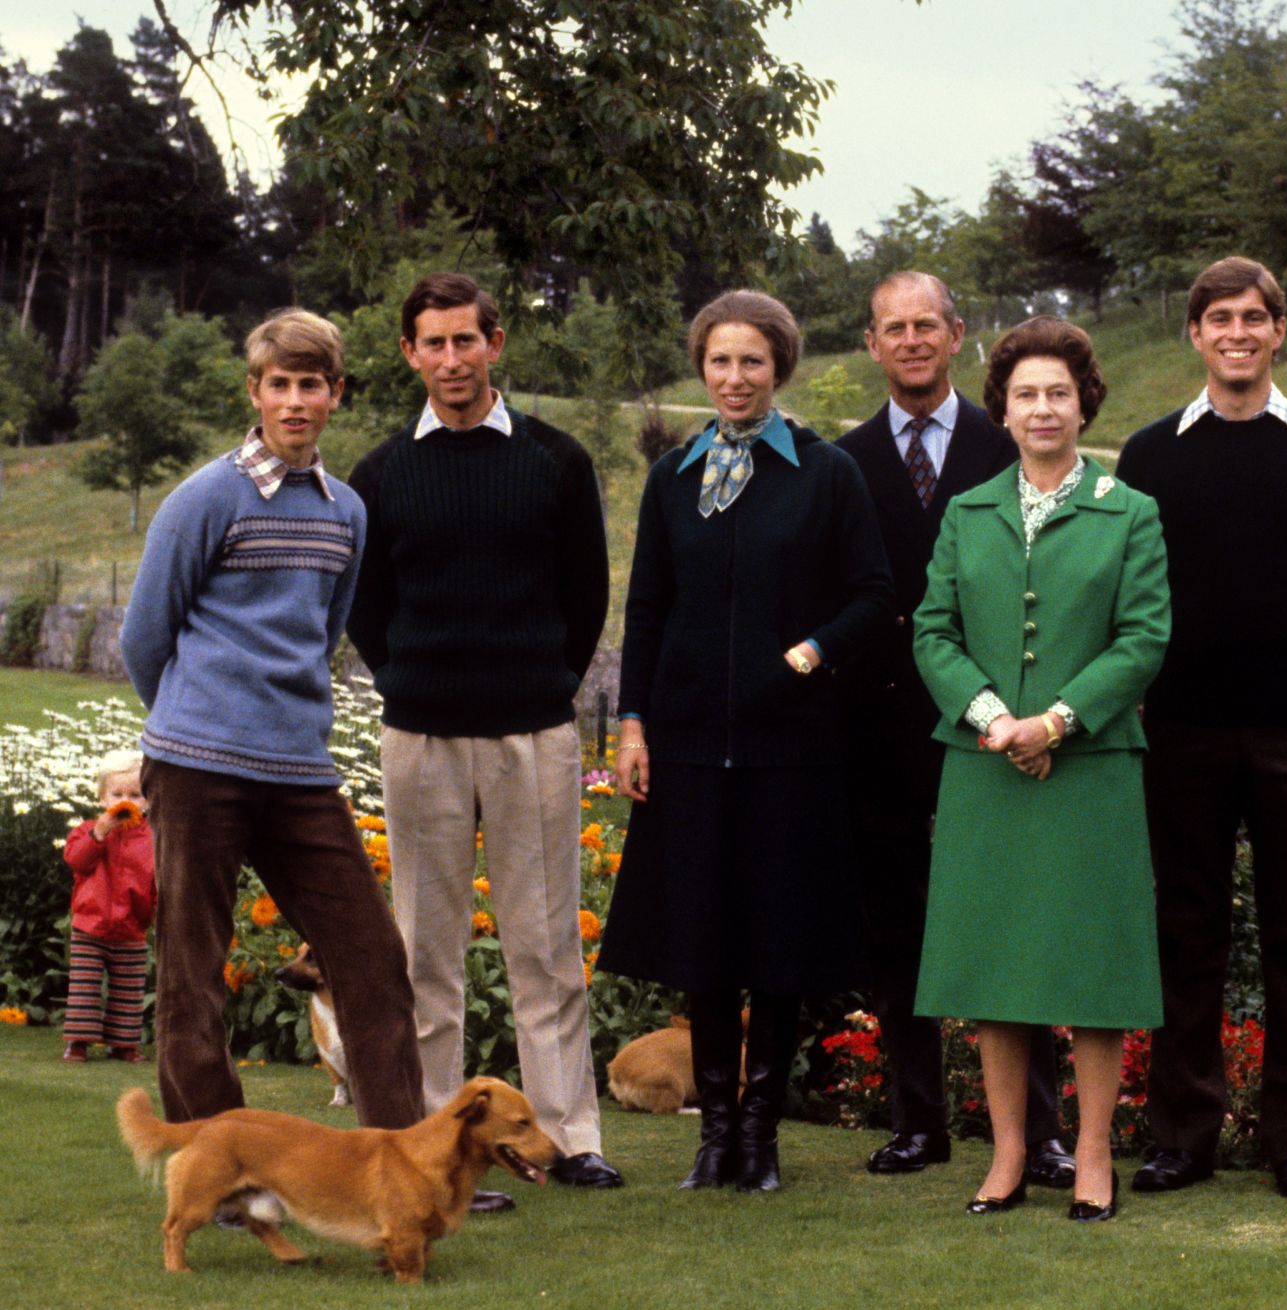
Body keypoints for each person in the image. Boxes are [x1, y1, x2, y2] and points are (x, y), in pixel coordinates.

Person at [598, 289, 894, 1192]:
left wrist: (806, 654)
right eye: (720, 362)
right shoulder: (672, 477)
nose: (735, 378)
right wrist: (633, 723)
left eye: (753, 362)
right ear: (702, 368)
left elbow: (874, 596)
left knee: (776, 944)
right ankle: (714, 1132)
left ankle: (760, 1135)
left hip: (791, 748)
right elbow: (646, 609)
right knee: (705, 942)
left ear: (780, 369)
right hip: (686, 747)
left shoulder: (825, 471)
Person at [1116, 256, 1287, 1203]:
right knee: (1185, 934)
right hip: (1181, 730)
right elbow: (1128, 594)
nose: (1236, 331)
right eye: (1218, 317)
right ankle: (1182, 1138)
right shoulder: (1151, 456)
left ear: (1280, 331)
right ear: (1194, 334)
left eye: (1254, 317)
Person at [346, 272, 619, 1199]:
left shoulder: (555, 459)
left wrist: (541, 683)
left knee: (544, 945)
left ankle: (570, 1137)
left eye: (468, 341)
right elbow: (367, 608)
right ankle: (438, 1147)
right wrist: (414, 680)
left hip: (531, 733)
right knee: (427, 950)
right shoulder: (381, 475)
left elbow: (586, 597)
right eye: (434, 343)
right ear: (409, 353)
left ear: (496, 344)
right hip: (420, 734)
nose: (452, 360)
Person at [121, 309, 424, 1131]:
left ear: (335, 395)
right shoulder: (205, 498)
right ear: (255, 392)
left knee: (371, 958)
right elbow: (145, 635)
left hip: (299, 771)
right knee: (192, 971)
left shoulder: (345, 513)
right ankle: (217, 1167)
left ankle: (401, 1157)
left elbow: (321, 637)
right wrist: (192, 726)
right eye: (279, 385)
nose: (295, 401)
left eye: (312, 386)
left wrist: (271, 722)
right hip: (197, 767)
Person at [912, 316, 1169, 1221]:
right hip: (984, 768)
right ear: (1005, 409)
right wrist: (994, 721)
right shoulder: (967, 509)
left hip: (1090, 767)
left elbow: (1145, 638)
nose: (1043, 407)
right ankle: (1010, 1154)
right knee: (994, 968)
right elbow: (931, 630)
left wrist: (1054, 722)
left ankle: (1093, 1153)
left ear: (1083, 401)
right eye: (1026, 393)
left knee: (1094, 970)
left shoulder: (1129, 511)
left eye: (1058, 391)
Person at [836, 271, 1076, 1187]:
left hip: (1002, 725)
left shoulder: (1007, 441)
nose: (910, 341)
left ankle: (1042, 1133)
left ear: (956, 334)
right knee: (899, 929)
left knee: (1019, 922)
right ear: (871, 344)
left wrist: (1030, 718)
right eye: (892, 328)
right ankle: (918, 1121)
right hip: (885, 726)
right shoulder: (846, 458)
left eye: (925, 325)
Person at [60, 749, 156, 1064]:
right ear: (103, 798)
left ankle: (123, 1043)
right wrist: (99, 833)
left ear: (148, 800)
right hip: (91, 925)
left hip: (131, 927)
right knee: (84, 987)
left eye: (134, 794)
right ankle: (78, 1042)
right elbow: (76, 860)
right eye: (116, 794)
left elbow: (159, 879)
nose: (124, 800)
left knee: (128, 991)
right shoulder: (88, 831)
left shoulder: (153, 838)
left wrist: (150, 913)